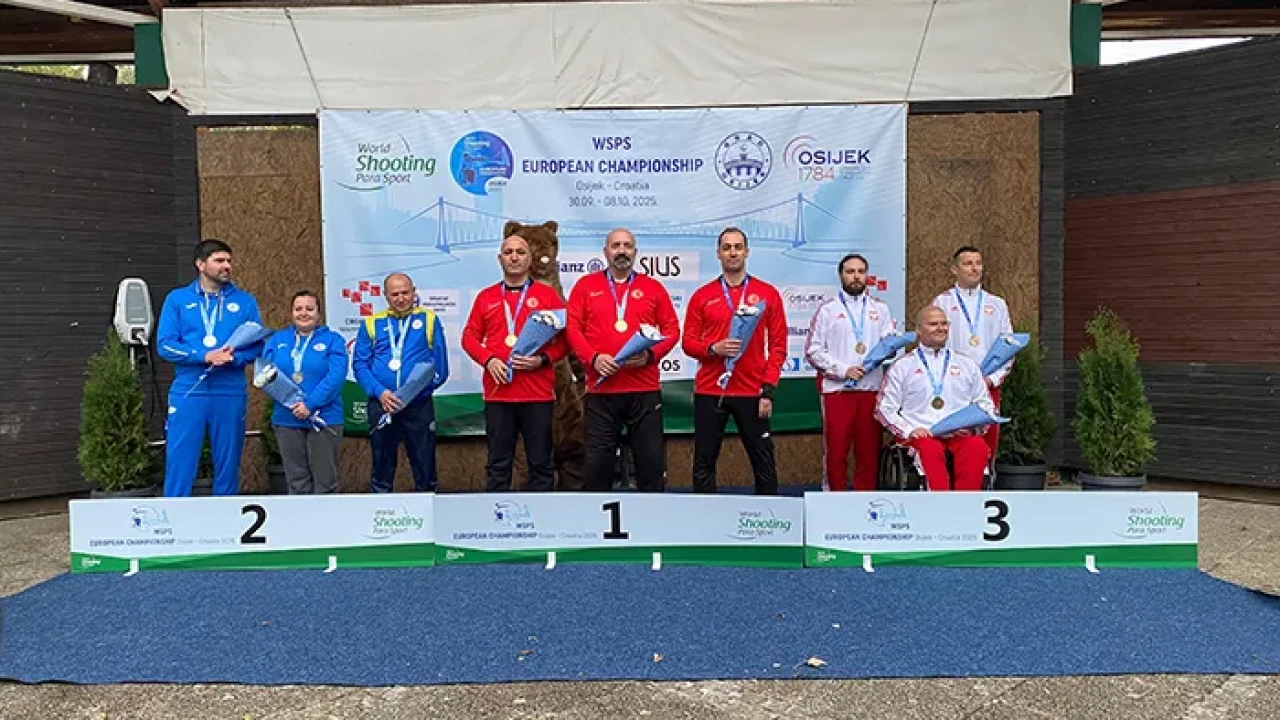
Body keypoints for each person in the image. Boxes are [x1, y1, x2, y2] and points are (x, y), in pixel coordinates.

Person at [565, 228, 680, 492]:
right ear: (605, 252)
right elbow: (572, 328)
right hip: (601, 391)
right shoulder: (585, 286)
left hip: (643, 390)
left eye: (627, 246)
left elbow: (672, 330)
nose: (622, 251)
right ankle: (596, 514)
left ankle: (652, 514)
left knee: (650, 463)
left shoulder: (653, 287)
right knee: (597, 465)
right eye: (616, 245)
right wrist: (593, 358)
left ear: (635, 252)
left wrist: (650, 355)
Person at [681, 228, 786, 495]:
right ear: (718, 253)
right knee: (704, 461)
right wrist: (712, 349)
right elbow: (688, 343)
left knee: (763, 461)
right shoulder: (702, 295)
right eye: (727, 247)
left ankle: (769, 514)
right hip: (710, 390)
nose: (733, 253)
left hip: (752, 390)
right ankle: (706, 514)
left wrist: (768, 391)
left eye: (738, 247)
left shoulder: (767, 293)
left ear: (747, 252)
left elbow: (778, 347)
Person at [461, 234, 568, 492]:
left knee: (541, 463)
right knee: (498, 464)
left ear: (530, 259)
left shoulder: (547, 296)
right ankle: (496, 513)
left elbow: (566, 342)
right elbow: (469, 338)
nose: (514, 257)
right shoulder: (486, 297)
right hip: (499, 395)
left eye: (520, 252)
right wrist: (488, 360)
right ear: (500, 259)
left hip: (538, 394)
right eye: (508, 252)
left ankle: (542, 513)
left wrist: (542, 360)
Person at [157, 238, 263, 497]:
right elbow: (165, 345)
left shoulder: (245, 302)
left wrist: (234, 358)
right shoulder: (178, 299)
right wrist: (204, 356)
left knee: (228, 462)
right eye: (219, 260)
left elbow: (258, 346)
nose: (226, 266)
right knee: (180, 460)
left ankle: (224, 516)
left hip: (229, 391)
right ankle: (174, 513)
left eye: (229, 261)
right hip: (189, 389)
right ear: (200, 264)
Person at [875, 305, 995, 491]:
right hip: (922, 435)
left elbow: (985, 405)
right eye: (933, 324)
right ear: (918, 330)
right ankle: (939, 503)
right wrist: (910, 430)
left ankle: (968, 503)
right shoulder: (902, 366)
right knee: (930, 450)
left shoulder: (967, 364)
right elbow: (884, 409)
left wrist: (974, 427)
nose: (940, 328)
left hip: (958, 434)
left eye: (944, 324)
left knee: (976, 447)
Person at [805, 253, 897, 491]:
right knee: (836, 451)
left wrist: (890, 348)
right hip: (837, 391)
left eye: (860, 272)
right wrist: (844, 370)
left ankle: (865, 501)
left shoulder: (881, 309)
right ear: (841, 276)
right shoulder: (827, 310)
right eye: (850, 271)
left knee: (869, 451)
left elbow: (890, 347)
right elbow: (813, 351)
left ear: (867, 276)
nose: (856, 276)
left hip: (871, 389)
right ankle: (834, 497)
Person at [352, 272, 449, 493]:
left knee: (424, 464)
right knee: (381, 464)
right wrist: (380, 392)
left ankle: (428, 505)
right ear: (385, 295)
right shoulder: (371, 323)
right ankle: (381, 509)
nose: (401, 298)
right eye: (395, 294)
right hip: (382, 404)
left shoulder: (429, 319)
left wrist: (416, 393)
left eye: (405, 293)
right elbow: (360, 365)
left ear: (414, 292)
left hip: (417, 405)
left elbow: (440, 366)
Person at [261, 290, 347, 494]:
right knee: (296, 481)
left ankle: (324, 516)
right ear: (291, 312)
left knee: (325, 481)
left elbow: (335, 377)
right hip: (287, 417)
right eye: (298, 309)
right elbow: (265, 374)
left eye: (310, 309)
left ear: (318, 313)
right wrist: (292, 403)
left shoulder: (333, 340)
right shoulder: (277, 340)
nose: (304, 313)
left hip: (324, 418)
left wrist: (310, 404)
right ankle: (299, 515)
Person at [931, 246, 1013, 458]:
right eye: (968, 263)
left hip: (987, 384)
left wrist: (992, 380)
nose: (974, 268)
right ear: (954, 269)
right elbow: (934, 344)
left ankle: (986, 477)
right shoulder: (942, 302)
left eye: (978, 263)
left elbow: (1008, 347)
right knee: (955, 440)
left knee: (987, 442)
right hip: (952, 385)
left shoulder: (997, 304)